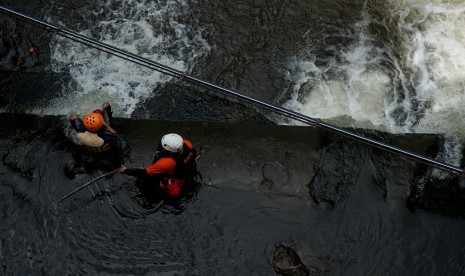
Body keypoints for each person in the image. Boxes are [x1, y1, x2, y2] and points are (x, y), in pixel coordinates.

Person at [118, 133, 198, 197]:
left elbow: (144, 173)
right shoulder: (187, 143)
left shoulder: (167, 163)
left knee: (145, 182)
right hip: (187, 169)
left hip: (177, 178)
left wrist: (125, 170)